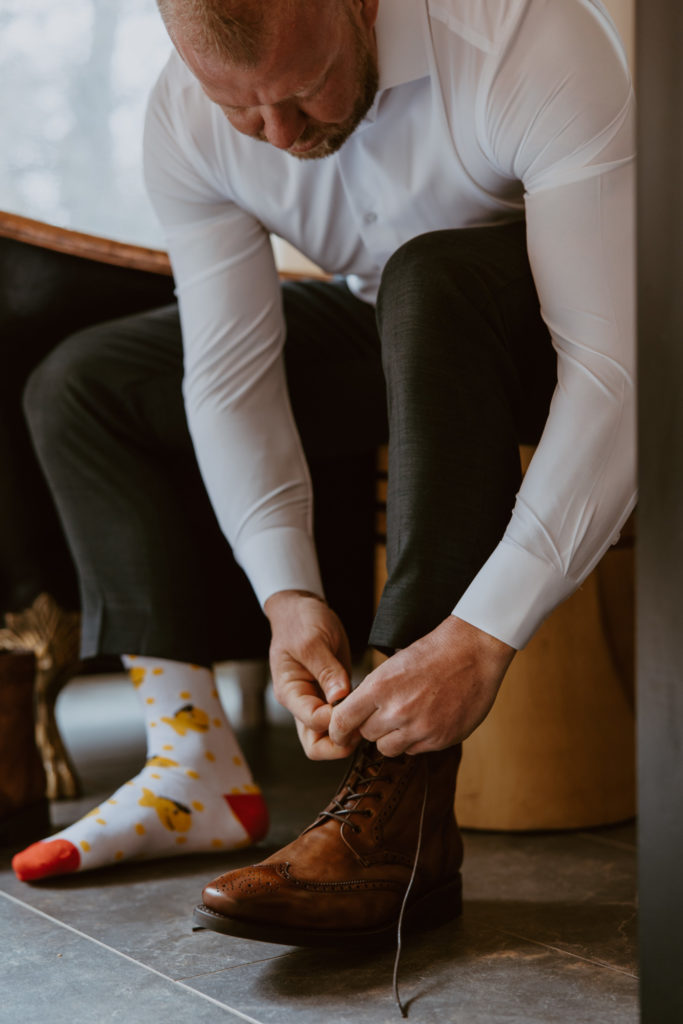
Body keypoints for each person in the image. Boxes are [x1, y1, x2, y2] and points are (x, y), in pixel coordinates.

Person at [13, 0, 634, 950]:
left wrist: (481, 636)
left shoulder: (529, 36)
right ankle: (192, 759)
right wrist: (286, 592)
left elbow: (613, 374)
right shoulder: (183, 114)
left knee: (430, 278)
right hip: (395, 323)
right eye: (241, 111)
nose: (279, 136)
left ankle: (403, 810)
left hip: (567, 337)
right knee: (89, 382)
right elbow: (228, 370)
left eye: (300, 94)